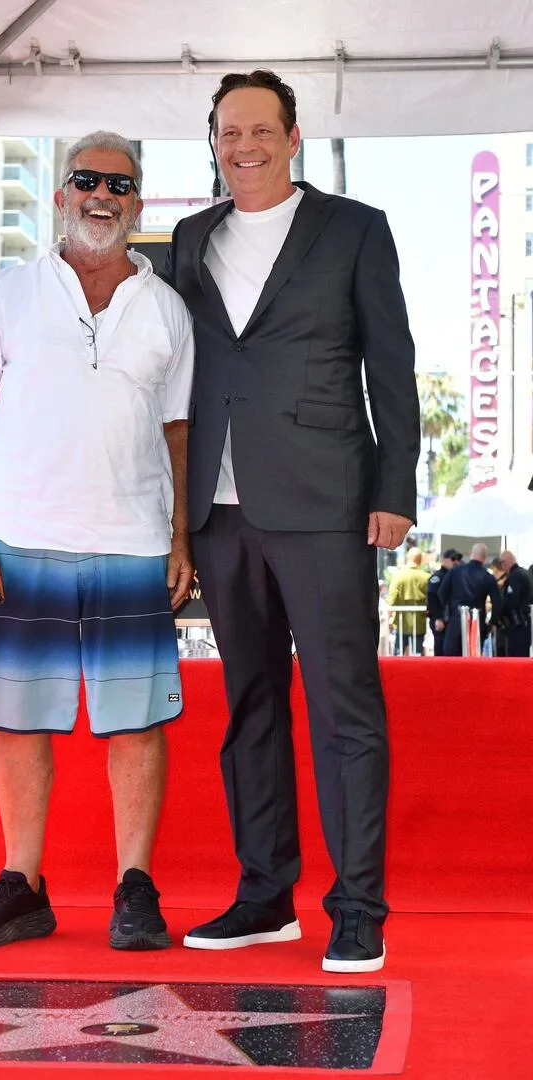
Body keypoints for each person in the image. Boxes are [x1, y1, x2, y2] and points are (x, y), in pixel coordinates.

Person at [161, 70, 420, 972]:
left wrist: (396, 490)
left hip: (326, 503)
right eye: (230, 132)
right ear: (215, 141)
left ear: (293, 135)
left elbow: (391, 366)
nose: (246, 146)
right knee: (250, 707)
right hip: (220, 513)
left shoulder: (355, 229)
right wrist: (175, 517)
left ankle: (358, 909)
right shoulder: (190, 240)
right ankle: (265, 895)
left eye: (261, 130)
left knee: (346, 710)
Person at [0, 131, 194, 952]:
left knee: (136, 724)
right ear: (59, 194)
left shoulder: (166, 308)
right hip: (20, 538)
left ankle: (135, 887)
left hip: (133, 539)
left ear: (138, 202)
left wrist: (182, 534)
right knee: (21, 720)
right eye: (85, 179)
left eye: (119, 183)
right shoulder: (6, 293)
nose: (101, 194)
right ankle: (23, 886)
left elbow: (180, 430)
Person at [437, 543, 501, 655]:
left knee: (451, 658)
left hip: (456, 619)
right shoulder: (488, 577)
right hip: (476, 623)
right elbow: (497, 602)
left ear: (471, 553)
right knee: (473, 656)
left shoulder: (455, 571)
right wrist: (492, 622)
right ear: (485, 557)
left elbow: (442, 592)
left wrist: (448, 613)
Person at [388, 547, 430, 655]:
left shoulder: (398, 576)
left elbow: (391, 600)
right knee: (417, 655)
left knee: (398, 654)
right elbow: (430, 599)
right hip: (419, 623)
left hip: (401, 622)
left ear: (407, 558)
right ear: (420, 560)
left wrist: (389, 619)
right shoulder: (426, 577)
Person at [497, 550, 533, 657]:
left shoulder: (515, 576)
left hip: (517, 624)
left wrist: (499, 612)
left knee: (516, 657)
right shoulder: (526, 573)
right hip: (527, 623)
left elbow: (511, 600)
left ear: (505, 563)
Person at [427, 549, 461, 656]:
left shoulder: (455, 576)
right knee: (440, 649)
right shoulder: (438, 576)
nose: (456, 562)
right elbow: (432, 598)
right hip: (440, 619)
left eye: (458, 559)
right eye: (453, 559)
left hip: (451, 619)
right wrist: (437, 618)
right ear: (444, 560)